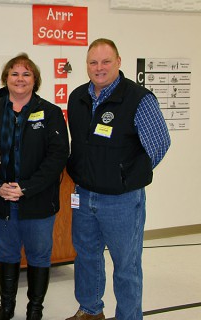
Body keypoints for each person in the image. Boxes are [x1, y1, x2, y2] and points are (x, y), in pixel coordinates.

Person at [65, 38, 171, 320]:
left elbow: (159, 144)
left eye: (105, 61)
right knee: (86, 258)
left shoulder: (139, 99)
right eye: (93, 62)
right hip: (84, 196)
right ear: (87, 65)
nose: (99, 68)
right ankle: (90, 310)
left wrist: (127, 176)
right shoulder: (77, 97)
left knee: (126, 265)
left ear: (119, 62)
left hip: (122, 201)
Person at [0, 53, 69, 320]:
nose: (20, 79)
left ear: (35, 80)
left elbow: (57, 157)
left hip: (38, 200)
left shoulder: (51, 112)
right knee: (7, 254)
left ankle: (35, 310)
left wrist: (27, 188)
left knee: (39, 255)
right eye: (14, 73)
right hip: (0, 199)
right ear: (5, 79)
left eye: (26, 74)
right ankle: (6, 308)